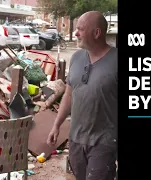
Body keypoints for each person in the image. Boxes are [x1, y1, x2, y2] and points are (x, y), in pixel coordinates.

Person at [47, 11, 118, 180]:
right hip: (76, 139)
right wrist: (56, 125)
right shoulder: (77, 57)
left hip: (104, 142)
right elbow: (69, 95)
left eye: (80, 29)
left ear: (96, 33)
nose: (75, 33)